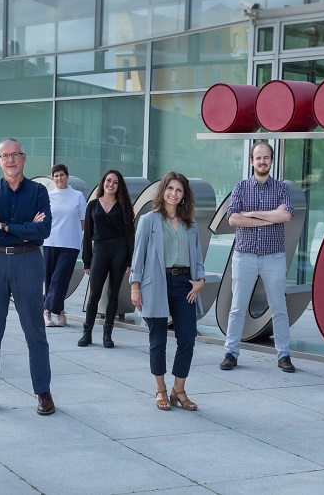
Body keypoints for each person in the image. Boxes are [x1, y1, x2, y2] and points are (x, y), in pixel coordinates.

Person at [0, 138, 55, 416]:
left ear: (24, 158)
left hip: (28, 261)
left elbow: (44, 231)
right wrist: (25, 227)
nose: (11, 160)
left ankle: (43, 392)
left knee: (35, 332)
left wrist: (3, 224)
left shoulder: (39, 191)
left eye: (16, 154)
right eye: (5, 156)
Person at [130, 172, 205, 411]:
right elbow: (138, 256)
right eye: (170, 188)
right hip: (156, 284)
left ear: (184, 196)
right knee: (158, 340)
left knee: (187, 340)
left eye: (179, 190)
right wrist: (135, 286)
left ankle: (179, 389)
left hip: (185, 285)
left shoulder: (190, 223)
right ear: (163, 191)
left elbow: (198, 255)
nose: (174, 193)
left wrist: (200, 280)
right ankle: (161, 389)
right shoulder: (148, 220)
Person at [221, 141, 296, 373]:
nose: (262, 161)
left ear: (271, 161)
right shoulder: (241, 187)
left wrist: (252, 214)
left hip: (273, 257)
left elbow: (285, 215)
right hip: (245, 256)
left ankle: (284, 355)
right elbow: (233, 219)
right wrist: (269, 217)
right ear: (251, 161)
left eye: (266, 158)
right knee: (237, 307)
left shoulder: (282, 188)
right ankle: (231, 353)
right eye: (258, 158)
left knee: (279, 308)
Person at [78, 170, 134, 348]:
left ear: (119, 186)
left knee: (113, 294)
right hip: (100, 251)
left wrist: (130, 260)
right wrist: (87, 260)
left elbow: (130, 234)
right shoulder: (93, 205)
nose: (111, 184)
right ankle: (87, 333)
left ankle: (107, 335)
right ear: (103, 182)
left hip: (120, 251)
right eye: (108, 181)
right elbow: (87, 235)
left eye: (115, 182)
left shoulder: (124, 206)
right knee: (94, 294)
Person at [42, 164, 86, 328]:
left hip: (71, 243)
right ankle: (58, 312)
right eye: (56, 176)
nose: (59, 178)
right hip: (51, 241)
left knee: (60, 277)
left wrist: (72, 233)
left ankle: (46, 308)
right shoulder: (48, 196)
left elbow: (82, 221)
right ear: (53, 178)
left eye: (62, 175)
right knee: (50, 278)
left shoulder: (77, 196)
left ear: (67, 176)